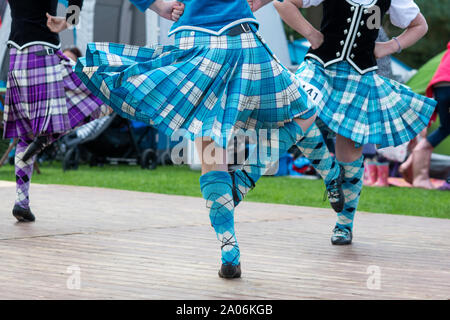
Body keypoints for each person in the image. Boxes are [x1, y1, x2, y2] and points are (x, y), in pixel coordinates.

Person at [75, 0, 345, 278]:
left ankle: (230, 252)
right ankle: (246, 178)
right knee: (302, 113)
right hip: (239, 38)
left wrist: (159, 6)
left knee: (210, 147)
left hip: (194, 42)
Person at [272, 0, 436, 244]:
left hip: (359, 77)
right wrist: (312, 35)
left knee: (351, 150)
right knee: (298, 113)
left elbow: (419, 25)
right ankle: (330, 175)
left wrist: (390, 46)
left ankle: (344, 225)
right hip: (320, 68)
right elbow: (283, 2)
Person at [2, 0, 114, 222]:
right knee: (103, 98)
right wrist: (69, 22)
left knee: (26, 134)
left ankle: (21, 202)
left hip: (16, 58)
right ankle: (48, 137)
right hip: (44, 54)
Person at [399, 41, 450, 189]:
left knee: (444, 128)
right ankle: (422, 178)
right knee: (444, 129)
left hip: (439, 87)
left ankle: (413, 168)